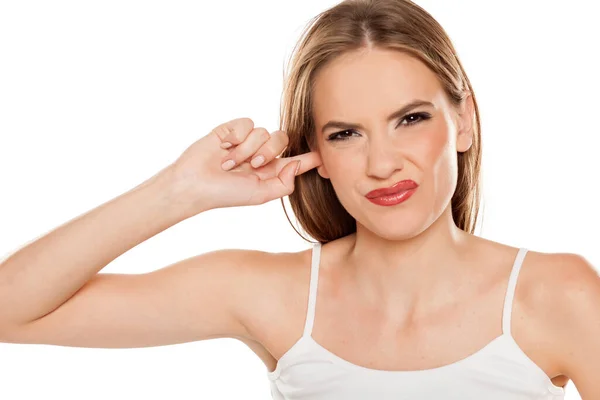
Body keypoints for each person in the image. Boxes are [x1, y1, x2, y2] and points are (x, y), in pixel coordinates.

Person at [0, 0, 598, 398]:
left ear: (462, 119)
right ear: (317, 150)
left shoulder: (558, 295)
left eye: (410, 119)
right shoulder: (270, 294)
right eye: (346, 133)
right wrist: (179, 191)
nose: (382, 163)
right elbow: (11, 312)